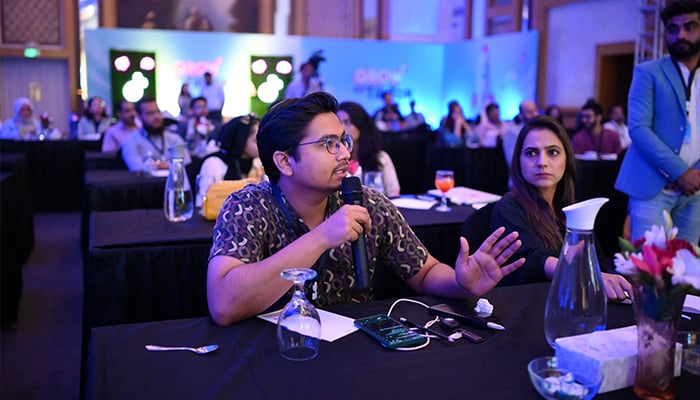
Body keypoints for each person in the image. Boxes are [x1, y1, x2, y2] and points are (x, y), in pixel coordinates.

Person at [206, 92, 525, 325]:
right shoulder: (247, 205)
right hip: (274, 355)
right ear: (285, 161)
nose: (345, 152)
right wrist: (321, 237)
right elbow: (223, 304)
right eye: (328, 144)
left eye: (344, 140)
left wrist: (460, 282)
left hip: (355, 352)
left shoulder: (368, 202)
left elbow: (424, 272)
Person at [490, 116, 631, 300]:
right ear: (518, 161)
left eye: (553, 152)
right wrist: (586, 275)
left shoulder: (569, 208)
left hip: (573, 301)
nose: (542, 162)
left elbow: (595, 262)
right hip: (527, 305)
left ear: (567, 158)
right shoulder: (508, 207)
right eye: (531, 153)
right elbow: (532, 259)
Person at [615, 0, 700, 244]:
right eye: (672, 29)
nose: (680, 35)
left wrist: (695, 175)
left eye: (690, 27)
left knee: (687, 268)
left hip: (695, 189)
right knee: (649, 269)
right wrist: (680, 172)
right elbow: (639, 129)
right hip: (652, 187)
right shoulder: (648, 72)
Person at [196, 114, 264, 207]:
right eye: (256, 140)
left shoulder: (257, 163)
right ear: (240, 140)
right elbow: (202, 204)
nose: (262, 144)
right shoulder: (214, 164)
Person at [337, 101, 401, 197]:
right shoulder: (335, 158)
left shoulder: (380, 157)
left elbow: (394, 192)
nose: (342, 128)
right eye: (338, 123)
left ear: (360, 125)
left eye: (347, 122)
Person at [121, 96, 191, 171]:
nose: (156, 116)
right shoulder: (131, 141)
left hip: (176, 181)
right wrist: (171, 165)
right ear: (139, 117)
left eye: (158, 111)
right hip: (148, 182)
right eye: (150, 113)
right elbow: (138, 168)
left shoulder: (174, 138)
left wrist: (156, 165)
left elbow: (186, 161)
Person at [503, 100, 539, 168]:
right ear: (521, 114)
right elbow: (511, 159)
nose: (534, 114)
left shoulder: (539, 129)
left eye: (535, 110)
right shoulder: (512, 131)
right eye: (529, 112)